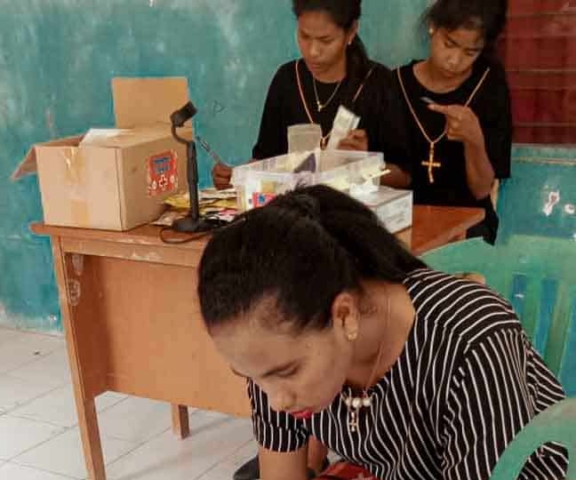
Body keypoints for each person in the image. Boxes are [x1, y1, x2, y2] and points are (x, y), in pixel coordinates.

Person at [197, 185, 569, 480]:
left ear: (343, 315)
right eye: (252, 377)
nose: (275, 400)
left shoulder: (468, 340)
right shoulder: (272, 357)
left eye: (287, 372)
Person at [212, 0, 412, 193]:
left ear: (351, 31)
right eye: (304, 36)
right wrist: (237, 176)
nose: (313, 51)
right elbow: (266, 160)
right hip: (295, 216)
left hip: (356, 216)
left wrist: (364, 166)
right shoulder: (287, 79)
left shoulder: (377, 83)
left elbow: (404, 177)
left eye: (326, 40)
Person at [396, 0, 512, 244]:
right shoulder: (394, 84)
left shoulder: (489, 85)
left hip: (468, 224)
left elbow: (482, 190)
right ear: (432, 27)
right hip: (404, 221)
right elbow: (386, 175)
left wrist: (474, 139)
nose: (454, 60)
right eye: (449, 44)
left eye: (470, 52)